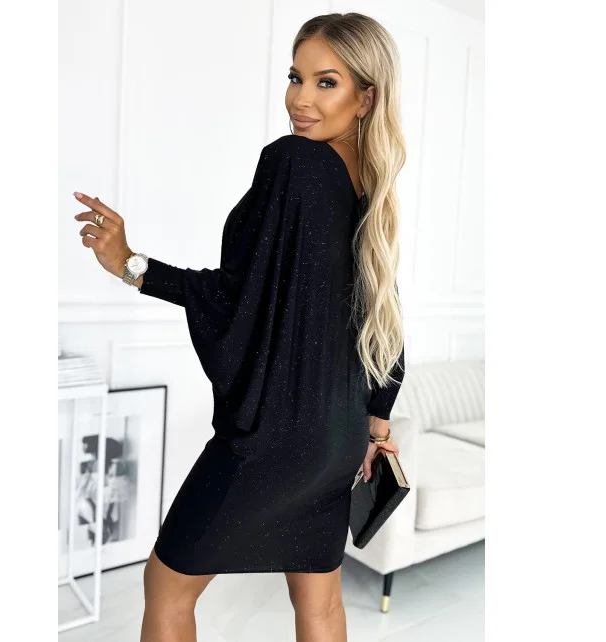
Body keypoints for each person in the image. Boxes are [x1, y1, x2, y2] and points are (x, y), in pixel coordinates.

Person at [72, 12, 406, 642]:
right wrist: (376, 425)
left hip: (276, 437)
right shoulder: (370, 187)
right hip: (338, 438)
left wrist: (132, 265)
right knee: (319, 603)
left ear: (366, 98)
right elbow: (384, 318)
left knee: (167, 586)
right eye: (295, 77)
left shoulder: (295, 162)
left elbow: (238, 295)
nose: (301, 99)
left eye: (326, 82)